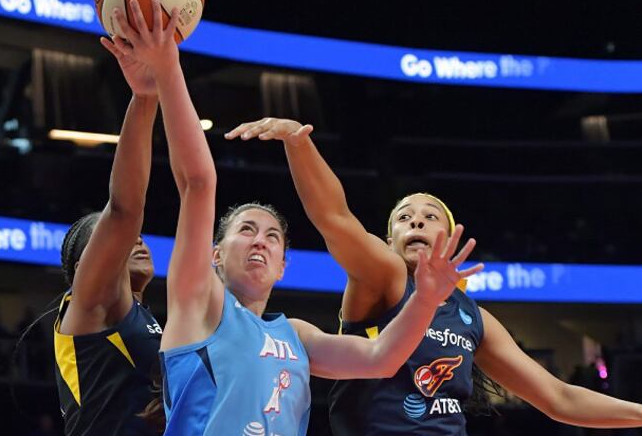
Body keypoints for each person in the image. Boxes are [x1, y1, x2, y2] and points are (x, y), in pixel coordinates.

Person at [109, 1, 483, 435]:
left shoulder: (297, 336)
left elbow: (384, 359)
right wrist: (165, 72)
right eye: (246, 230)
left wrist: (425, 299)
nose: (260, 241)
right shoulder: (199, 302)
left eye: (273, 237)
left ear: (283, 266)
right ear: (214, 255)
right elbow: (197, 182)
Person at [226, 117, 642, 435]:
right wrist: (300, 144)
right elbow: (335, 218)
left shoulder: (472, 316)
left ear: (448, 233)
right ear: (390, 241)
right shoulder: (386, 275)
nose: (417, 223)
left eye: (429, 217)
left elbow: (560, 398)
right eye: (404, 219)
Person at [52, 19, 164, 435]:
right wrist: (145, 98)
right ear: (88, 263)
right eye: (111, 240)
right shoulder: (88, 304)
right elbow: (123, 210)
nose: (135, 238)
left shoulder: (142, 318)